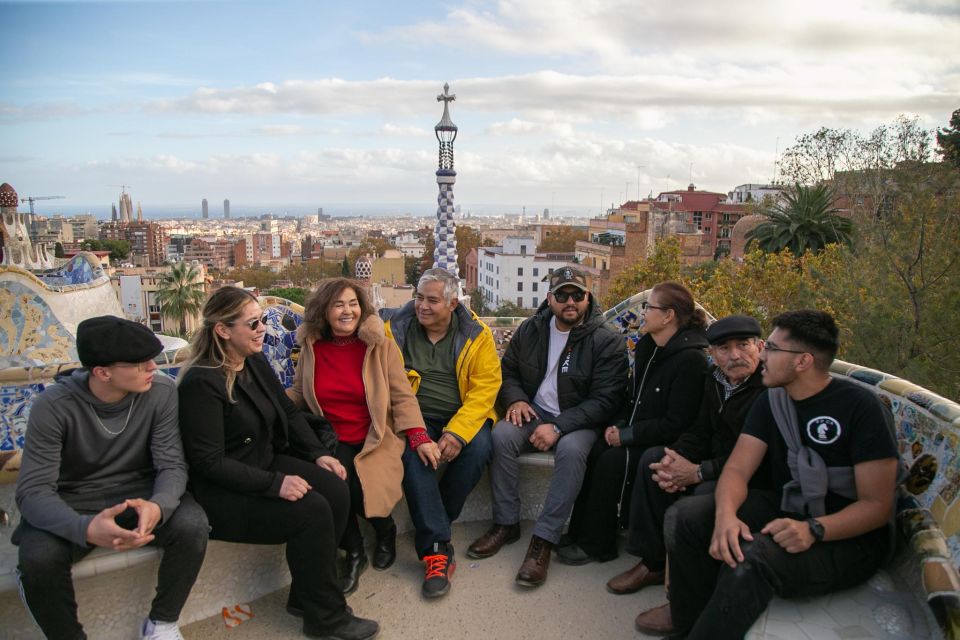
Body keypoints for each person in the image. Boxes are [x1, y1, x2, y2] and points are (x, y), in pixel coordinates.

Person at [639, 310, 900, 639]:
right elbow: (736, 469)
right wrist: (726, 517)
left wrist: (814, 530)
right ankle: (687, 621)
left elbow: (877, 505)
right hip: (789, 506)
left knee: (754, 557)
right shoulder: (773, 400)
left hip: (847, 537)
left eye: (773, 349)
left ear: (802, 361)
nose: (762, 354)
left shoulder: (861, 407)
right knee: (686, 518)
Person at [177, 286, 379, 640]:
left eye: (262, 321)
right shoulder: (202, 382)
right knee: (312, 510)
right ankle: (326, 618)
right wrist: (276, 485)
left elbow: (287, 411)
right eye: (253, 323)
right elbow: (209, 464)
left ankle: (306, 596)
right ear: (223, 331)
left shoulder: (251, 361)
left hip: (263, 463)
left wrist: (319, 454)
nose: (262, 330)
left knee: (334, 487)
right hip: (225, 491)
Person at [14, 316, 208, 640]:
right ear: (102, 372)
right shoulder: (53, 406)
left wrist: (158, 506)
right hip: (74, 499)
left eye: (152, 358)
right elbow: (33, 491)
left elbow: (172, 464)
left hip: (138, 493)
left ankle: (161, 623)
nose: (152, 367)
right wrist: (86, 528)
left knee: (193, 525)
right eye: (139, 362)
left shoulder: (160, 391)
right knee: (38, 560)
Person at [467, 266, 628, 587]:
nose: (571, 302)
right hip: (535, 411)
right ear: (549, 298)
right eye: (563, 295)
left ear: (588, 297)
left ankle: (543, 539)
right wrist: (514, 400)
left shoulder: (606, 339)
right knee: (501, 436)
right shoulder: (531, 329)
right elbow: (507, 371)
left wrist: (558, 427)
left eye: (578, 295)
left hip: (581, 419)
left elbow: (606, 400)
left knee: (570, 451)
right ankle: (506, 523)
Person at [615, 315, 765, 634]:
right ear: (713, 354)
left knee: (697, 498)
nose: (734, 355)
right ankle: (653, 563)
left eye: (743, 345)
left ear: (761, 348)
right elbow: (700, 429)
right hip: (712, 462)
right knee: (654, 462)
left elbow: (760, 460)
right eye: (724, 348)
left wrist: (697, 472)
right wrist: (676, 458)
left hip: (752, 479)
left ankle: (683, 601)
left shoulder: (769, 390)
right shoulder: (715, 380)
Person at [288, 278, 432, 596]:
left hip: (374, 435)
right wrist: (269, 404)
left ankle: (385, 530)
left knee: (360, 488)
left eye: (353, 303)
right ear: (324, 311)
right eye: (338, 304)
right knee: (333, 488)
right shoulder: (312, 346)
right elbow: (299, 392)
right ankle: (354, 552)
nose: (347, 311)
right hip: (330, 437)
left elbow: (402, 395)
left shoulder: (379, 346)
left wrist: (419, 435)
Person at [560, 281, 710, 565]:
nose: (643, 314)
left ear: (668, 316)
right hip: (637, 432)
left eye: (649, 308)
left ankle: (598, 545)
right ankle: (580, 531)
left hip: (667, 443)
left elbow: (677, 423)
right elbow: (631, 397)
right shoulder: (648, 347)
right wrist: (617, 426)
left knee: (612, 463)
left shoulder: (691, 360)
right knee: (596, 452)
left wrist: (627, 436)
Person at [380, 268, 500, 598]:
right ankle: (436, 549)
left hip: (463, 414)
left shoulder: (477, 334)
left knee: (478, 449)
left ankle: (436, 521)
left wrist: (458, 434)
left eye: (432, 300)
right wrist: (418, 431)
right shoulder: (395, 329)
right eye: (419, 298)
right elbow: (390, 384)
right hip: (414, 415)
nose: (422, 306)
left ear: (452, 303)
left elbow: (485, 388)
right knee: (412, 454)